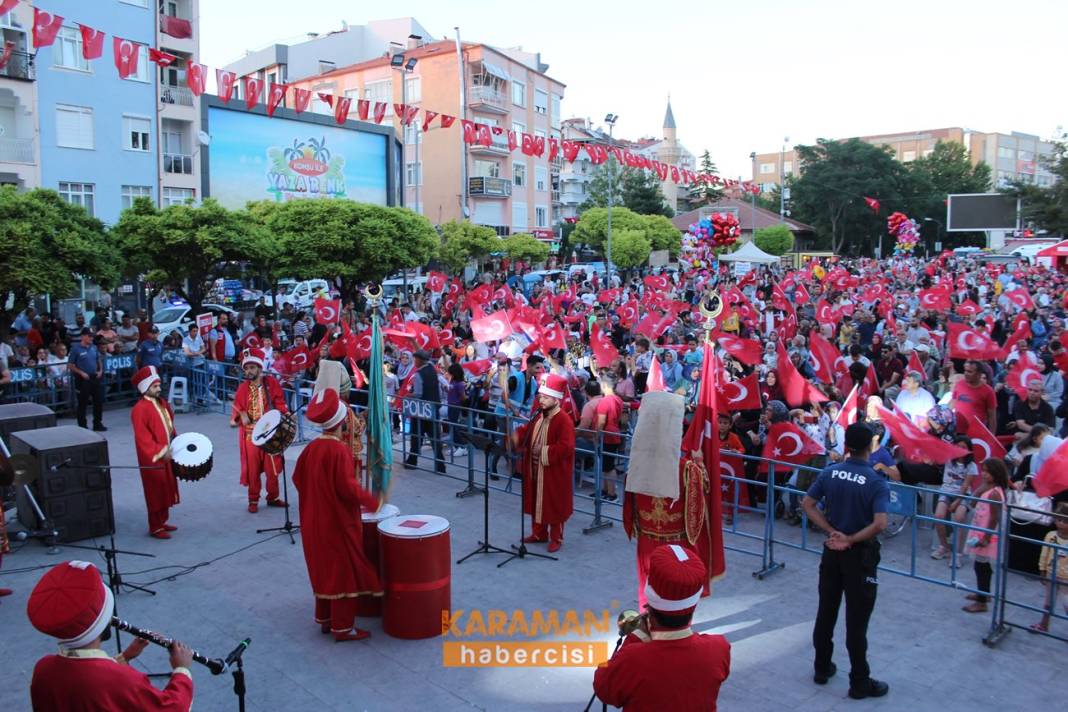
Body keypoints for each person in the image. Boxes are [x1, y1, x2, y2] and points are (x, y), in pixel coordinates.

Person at [28, 560, 194, 710]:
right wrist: (182, 669)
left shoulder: (43, 668)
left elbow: (85, 681)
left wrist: (125, 657)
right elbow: (172, 708)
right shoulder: (123, 680)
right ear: (102, 623)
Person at [802, 422, 890, 700]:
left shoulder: (831, 472)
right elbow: (881, 523)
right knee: (857, 621)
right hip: (859, 555)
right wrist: (851, 539)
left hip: (832, 551)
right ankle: (859, 681)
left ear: (847, 446)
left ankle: (821, 666)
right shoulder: (876, 481)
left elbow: (807, 504)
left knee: (826, 611)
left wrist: (831, 532)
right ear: (870, 446)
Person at [592, 544, 731, 711]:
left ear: (650, 604)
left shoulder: (633, 658)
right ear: (693, 605)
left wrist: (636, 636)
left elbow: (604, 689)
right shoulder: (719, 648)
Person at [292, 388, 382, 642]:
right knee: (342, 572)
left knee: (323, 569)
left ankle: (325, 619)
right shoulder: (338, 451)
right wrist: (371, 502)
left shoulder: (311, 449)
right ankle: (343, 627)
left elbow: (298, 479)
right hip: (337, 523)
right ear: (342, 421)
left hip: (312, 521)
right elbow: (348, 488)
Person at [512, 373, 575, 553]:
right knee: (536, 501)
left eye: (546, 397)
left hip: (553, 471)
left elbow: (566, 447)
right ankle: (538, 533)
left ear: (556, 399)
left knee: (554, 504)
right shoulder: (539, 415)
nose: (541, 400)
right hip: (534, 469)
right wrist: (517, 437)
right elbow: (527, 431)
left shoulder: (564, 420)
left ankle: (557, 537)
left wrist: (545, 451)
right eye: (541, 396)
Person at [230, 348, 287, 513]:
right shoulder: (242, 388)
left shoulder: (271, 383)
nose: (248, 371)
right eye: (246, 368)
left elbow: (280, 402)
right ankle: (253, 499)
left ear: (260, 368)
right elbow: (236, 408)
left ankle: (273, 497)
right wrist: (241, 414)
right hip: (250, 436)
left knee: (272, 469)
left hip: (270, 433)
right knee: (253, 470)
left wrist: (285, 412)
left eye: (252, 367)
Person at [129, 367, 181, 539]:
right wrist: (160, 452)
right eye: (154, 386)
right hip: (153, 459)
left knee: (166, 488)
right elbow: (143, 439)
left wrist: (178, 442)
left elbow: (170, 425)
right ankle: (155, 526)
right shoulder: (139, 409)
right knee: (155, 491)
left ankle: (163, 520)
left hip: (167, 454)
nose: (159, 389)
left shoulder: (162, 403)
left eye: (158, 385)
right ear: (145, 388)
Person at [960, 457, 1009, 614]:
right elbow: (973, 503)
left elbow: (994, 517)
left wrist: (986, 537)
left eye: (988, 472)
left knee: (981, 565)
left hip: (985, 533)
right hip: (979, 529)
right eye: (984, 471)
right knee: (981, 565)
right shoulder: (988, 488)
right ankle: (983, 593)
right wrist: (980, 489)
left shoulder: (995, 493)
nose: (984, 474)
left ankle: (982, 601)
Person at [931, 436, 978, 560]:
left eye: (963, 447)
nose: (960, 449)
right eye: (958, 446)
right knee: (938, 516)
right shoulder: (948, 459)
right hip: (946, 492)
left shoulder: (972, 466)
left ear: (969, 450)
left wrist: (957, 501)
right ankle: (944, 546)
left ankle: (958, 553)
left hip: (963, 495)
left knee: (959, 518)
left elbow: (966, 485)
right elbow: (935, 456)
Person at [403, 349, 446, 474]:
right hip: (433, 409)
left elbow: (418, 394)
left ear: (421, 360)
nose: (414, 361)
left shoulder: (418, 374)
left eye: (416, 359)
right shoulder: (432, 368)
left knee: (416, 436)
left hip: (421, 410)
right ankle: (440, 465)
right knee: (435, 438)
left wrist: (408, 395)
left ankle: (412, 461)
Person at [1032, 502, 1068, 633]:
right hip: (1051, 573)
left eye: (1066, 521)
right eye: (1059, 520)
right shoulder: (1050, 535)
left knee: (1067, 603)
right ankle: (1044, 624)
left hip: (1066, 578)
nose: (1062, 523)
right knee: (1048, 601)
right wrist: (1042, 569)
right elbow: (1044, 553)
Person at [68, 327, 106, 432]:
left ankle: (97, 423)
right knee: (83, 402)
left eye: (91, 336)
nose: (91, 338)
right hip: (83, 379)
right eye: (89, 336)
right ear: (83, 336)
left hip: (94, 377)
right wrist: (81, 372)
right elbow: (71, 365)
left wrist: (100, 370)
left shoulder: (93, 347)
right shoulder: (76, 349)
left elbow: (98, 359)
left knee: (98, 401)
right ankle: (82, 425)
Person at [951, 359, 997, 435]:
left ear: (979, 374)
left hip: (976, 433)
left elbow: (992, 417)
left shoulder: (988, 391)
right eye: (965, 371)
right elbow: (953, 403)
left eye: (970, 372)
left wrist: (992, 437)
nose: (966, 373)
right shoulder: (959, 384)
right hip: (957, 431)